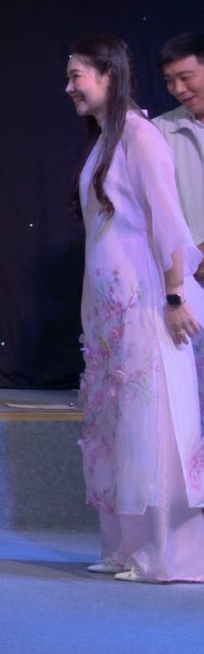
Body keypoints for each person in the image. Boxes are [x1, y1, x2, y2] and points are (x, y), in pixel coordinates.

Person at [65, 35, 204, 581]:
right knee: (118, 424)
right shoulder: (107, 139)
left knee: (151, 424)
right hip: (110, 311)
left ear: (109, 75)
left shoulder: (142, 136)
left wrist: (174, 298)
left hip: (146, 304)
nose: (69, 87)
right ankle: (126, 546)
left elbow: (169, 225)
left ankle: (163, 552)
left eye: (77, 76)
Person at [155, 32, 204, 253]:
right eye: (169, 81)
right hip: (189, 265)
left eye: (185, 77)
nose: (178, 89)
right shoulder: (158, 131)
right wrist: (192, 251)